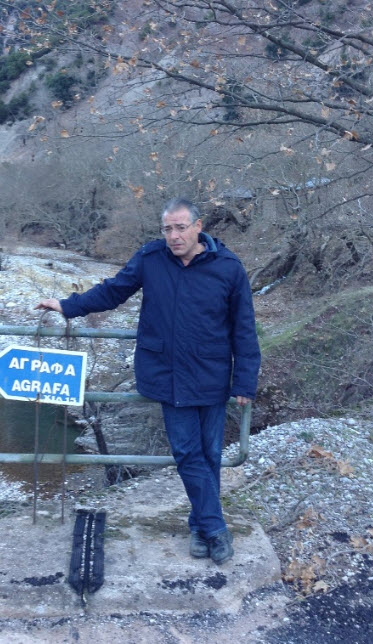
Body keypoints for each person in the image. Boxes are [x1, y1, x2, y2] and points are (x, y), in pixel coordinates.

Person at [37, 197, 260, 564]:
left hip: (212, 374)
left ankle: (200, 526)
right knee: (187, 452)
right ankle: (216, 528)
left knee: (209, 454)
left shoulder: (228, 267)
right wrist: (68, 305)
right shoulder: (151, 258)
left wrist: (245, 382)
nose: (174, 236)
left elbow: (244, 328)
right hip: (168, 375)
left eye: (181, 228)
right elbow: (113, 291)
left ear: (198, 226)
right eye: (167, 229)